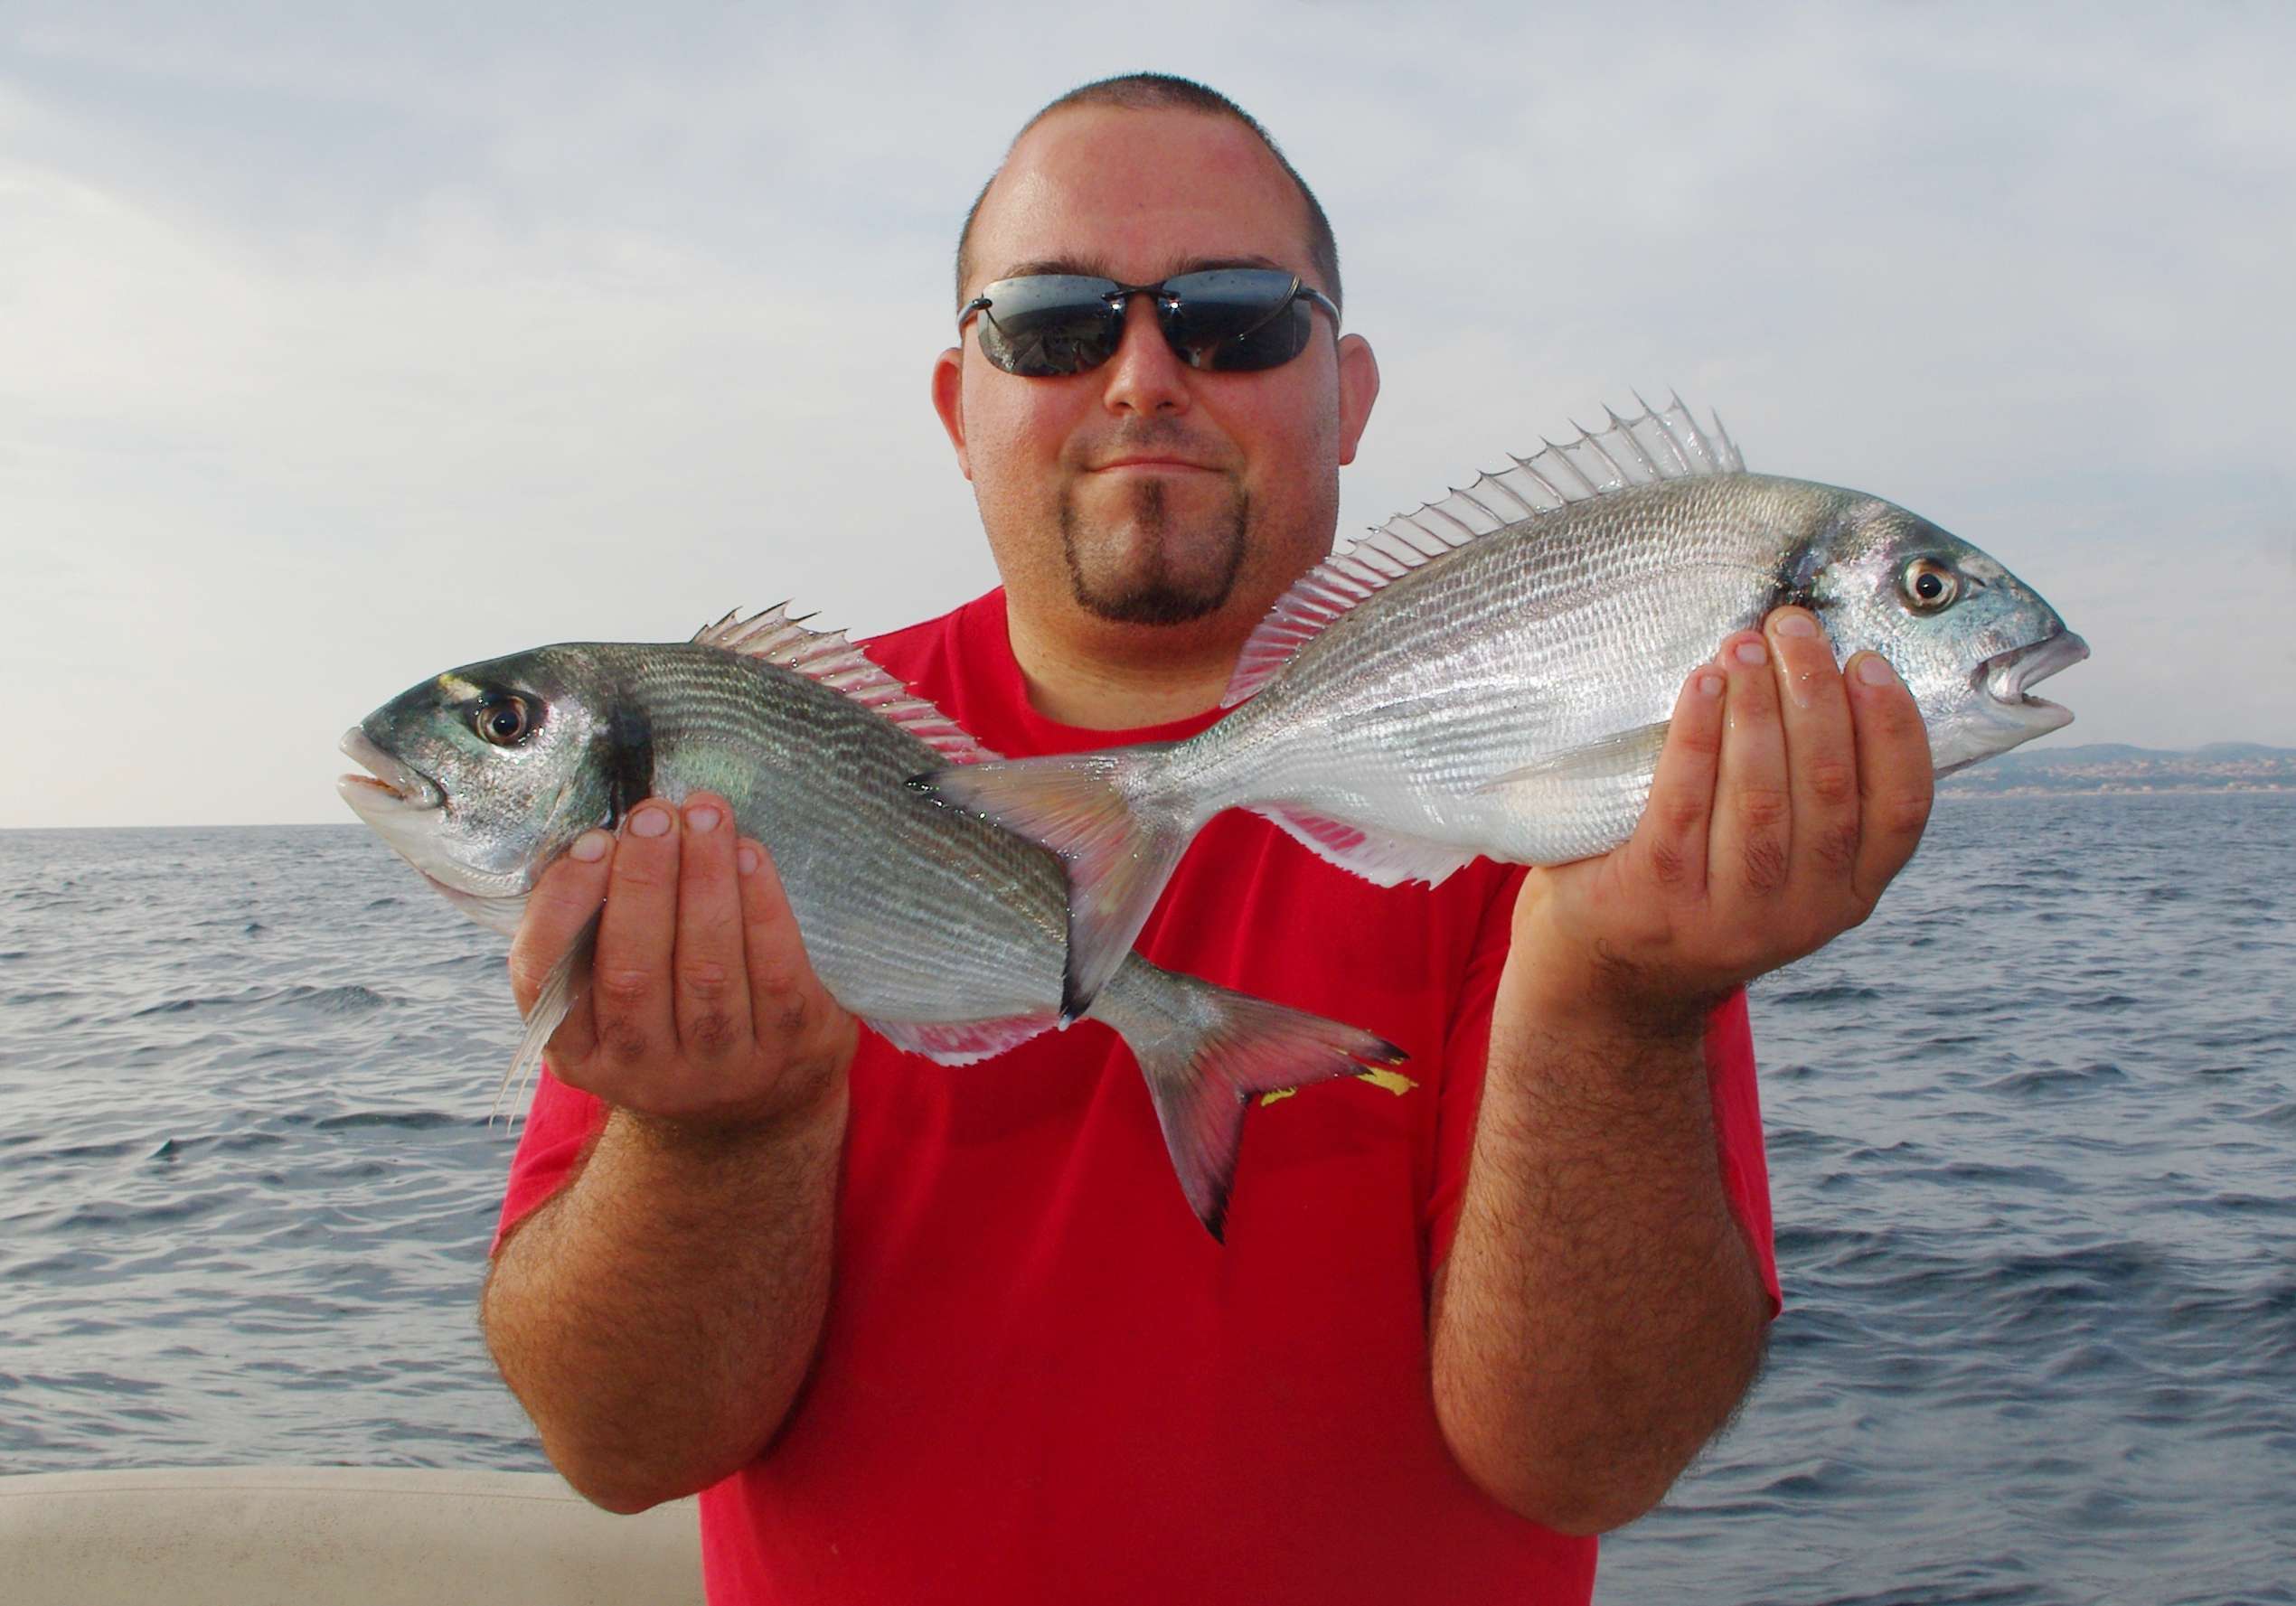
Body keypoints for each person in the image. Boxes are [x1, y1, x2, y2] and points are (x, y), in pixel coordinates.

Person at [478, 74, 1935, 1603]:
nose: (1143, 376)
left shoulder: (1556, 776)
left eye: (1234, 317)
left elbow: (1585, 1461)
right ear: (955, 404)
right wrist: (727, 1135)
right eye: (1052, 323)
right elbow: (620, 1443)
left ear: (1350, 390)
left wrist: (1618, 1008)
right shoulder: (752, 767)